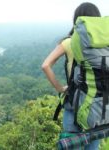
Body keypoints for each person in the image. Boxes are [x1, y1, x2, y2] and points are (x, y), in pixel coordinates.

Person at [41, 2, 101, 150]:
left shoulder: (69, 42)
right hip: (98, 106)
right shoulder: (104, 45)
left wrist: (61, 88)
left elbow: (46, 65)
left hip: (74, 104)